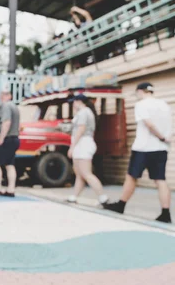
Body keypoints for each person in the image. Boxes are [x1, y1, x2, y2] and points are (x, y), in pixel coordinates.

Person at [103, 82, 173, 223]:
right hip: (161, 149)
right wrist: (165, 139)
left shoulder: (141, 104)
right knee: (160, 180)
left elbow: (149, 124)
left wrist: (160, 136)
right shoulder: (164, 105)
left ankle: (121, 205)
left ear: (140, 92)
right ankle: (165, 213)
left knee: (131, 177)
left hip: (143, 148)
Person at [66, 94, 108, 205]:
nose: (73, 104)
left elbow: (81, 129)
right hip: (81, 143)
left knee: (86, 173)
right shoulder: (84, 112)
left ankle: (102, 197)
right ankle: (74, 196)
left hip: (83, 143)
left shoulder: (84, 112)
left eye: (74, 102)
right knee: (80, 174)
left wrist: (72, 146)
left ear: (79, 102)